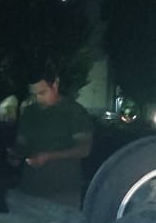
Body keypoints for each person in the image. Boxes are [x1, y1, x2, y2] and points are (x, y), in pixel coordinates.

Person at [10, 70, 95, 207]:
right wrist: (15, 154)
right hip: (29, 190)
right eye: (34, 94)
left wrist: (49, 156)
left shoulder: (74, 112)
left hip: (63, 193)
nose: (38, 99)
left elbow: (84, 149)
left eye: (42, 93)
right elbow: (21, 143)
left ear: (55, 85)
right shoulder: (30, 112)